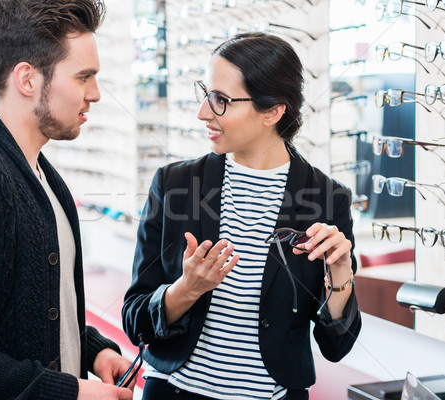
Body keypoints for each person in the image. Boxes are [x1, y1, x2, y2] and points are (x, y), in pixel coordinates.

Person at [122, 32, 361, 400]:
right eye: (205, 94)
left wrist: (341, 273)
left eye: (220, 101)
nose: (204, 112)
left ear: (273, 111)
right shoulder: (175, 185)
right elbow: (135, 319)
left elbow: (336, 346)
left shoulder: (328, 200)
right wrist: (186, 291)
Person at [0, 1, 134, 399]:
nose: (96, 94)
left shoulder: (43, 178)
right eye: (84, 77)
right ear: (27, 79)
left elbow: (29, 312)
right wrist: (68, 392)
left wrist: (93, 350)